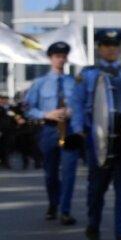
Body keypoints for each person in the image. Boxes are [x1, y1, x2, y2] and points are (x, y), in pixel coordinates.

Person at [71, 29, 121, 240]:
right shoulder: (88, 74)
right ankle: (94, 222)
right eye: (106, 45)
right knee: (97, 187)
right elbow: (77, 103)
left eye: (115, 45)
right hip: (98, 138)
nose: (111, 49)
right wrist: (79, 129)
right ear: (99, 48)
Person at [23, 41, 79, 225]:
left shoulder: (74, 82)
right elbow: (29, 109)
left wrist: (71, 111)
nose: (60, 60)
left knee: (69, 172)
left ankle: (65, 209)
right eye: (57, 56)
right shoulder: (40, 83)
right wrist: (47, 114)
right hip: (49, 129)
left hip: (69, 129)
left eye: (63, 57)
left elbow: (82, 105)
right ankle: (53, 203)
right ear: (50, 58)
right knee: (50, 172)